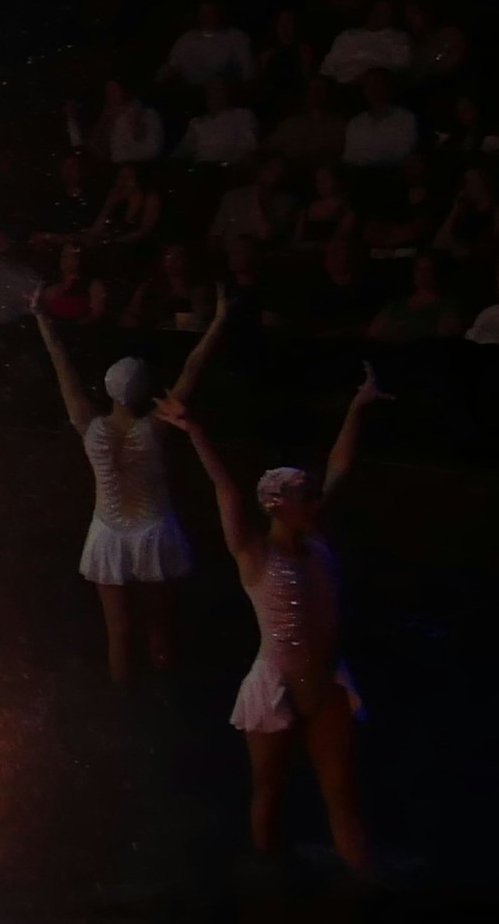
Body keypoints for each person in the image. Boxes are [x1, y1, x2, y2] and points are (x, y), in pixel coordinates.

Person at [164, 373, 382, 873]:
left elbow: (340, 467)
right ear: (277, 505)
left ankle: (363, 888)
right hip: (276, 683)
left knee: (342, 790)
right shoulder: (255, 554)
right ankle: (268, 879)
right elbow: (225, 490)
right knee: (271, 790)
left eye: (313, 494)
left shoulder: (318, 541)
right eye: (306, 496)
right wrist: (193, 430)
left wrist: (358, 405)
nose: (317, 502)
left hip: (326, 683)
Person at [43, 294, 222, 682]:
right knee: (160, 628)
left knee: (119, 632)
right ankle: (160, 704)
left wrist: (43, 318)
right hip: (153, 528)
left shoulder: (89, 425)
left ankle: (125, 704)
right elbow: (192, 370)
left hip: (109, 529)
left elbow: (63, 368)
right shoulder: (155, 426)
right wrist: (218, 321)